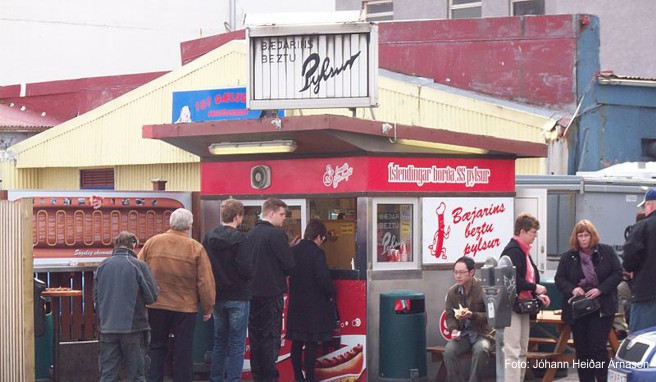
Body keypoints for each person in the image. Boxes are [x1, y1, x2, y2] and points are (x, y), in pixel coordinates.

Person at [139, 208, 216, 382]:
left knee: (156, 347)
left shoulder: (152, 243)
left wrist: (143, 298)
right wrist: (208, 307)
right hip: (185, 308)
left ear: (171, 223)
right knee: (183, 351)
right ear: (188, 226)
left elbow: (139, 270)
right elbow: (205, 281)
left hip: (156, 305)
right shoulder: (195, 247)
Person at [555, 220, 622, 382]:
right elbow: (560, 278)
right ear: (575, 237)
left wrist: (600, 289)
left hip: (602, 307)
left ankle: (602, 379)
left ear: (593, 236)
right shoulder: (568, 257)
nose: (583, 239)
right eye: (580, 235)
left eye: (586, 235)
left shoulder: (606, 252)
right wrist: (572, 289)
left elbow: (618, 273)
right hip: (579, 309)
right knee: (582, 349)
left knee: (598, 348)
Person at [241, 198, 295, 382]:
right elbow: (289, 265)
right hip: (271, 294)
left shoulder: (249, 235)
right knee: (270, 338)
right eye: (281, 214)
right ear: (271, 213)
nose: (283, 219)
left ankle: (258, 376)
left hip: (252, 294)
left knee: (255, 338)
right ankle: (270, 377)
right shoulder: (277, 236)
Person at [94, 231, 159, 382]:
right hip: (134, 328)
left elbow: (96, 298)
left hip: (107, 328)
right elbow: (152, 297)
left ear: (116, 245)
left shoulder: (102, 266)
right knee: (136, 375)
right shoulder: (138, 265)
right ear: (133, 245)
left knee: (108, 374)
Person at [202, 199, 253, 382]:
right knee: (237, 344)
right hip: (239, 295)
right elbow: (246, 268)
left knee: (219, 342)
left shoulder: (208, 237)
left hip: (217, 296)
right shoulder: (241, 239)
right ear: (238, 216)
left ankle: (216, 378)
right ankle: (232, 379)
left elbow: (204, 266)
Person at [500, 212, 550, 382]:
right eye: (533, 232)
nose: (535, 236)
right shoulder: (513, 251)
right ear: (522, 231)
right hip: (512, 307)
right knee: (513, 350)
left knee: (522, 350)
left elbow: (529, 277)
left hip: (523, 305)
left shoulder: (524, 251)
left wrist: (536, 293)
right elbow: (513, 279)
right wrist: (535, 287)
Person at [286, 219, 337, 382]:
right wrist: (332, 292)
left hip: (296, 305)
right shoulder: (317, 253)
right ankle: (309, 378)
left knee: (296, 343)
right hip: (313, 307)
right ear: (319, 237)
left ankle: (298, 377)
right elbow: (323, 278)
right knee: (311, 344)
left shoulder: (293, 251)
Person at [443, 256, 492, 382]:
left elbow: (492, 315)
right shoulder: (452, 292)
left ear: (471, 272)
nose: (457, 276)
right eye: (455, 272)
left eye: (461, 272)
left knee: (481, 349)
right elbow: (450, 315)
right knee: (449, 351)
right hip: (463, 334)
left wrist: (473, 315)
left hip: (483, 333)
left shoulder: (484, 288)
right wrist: (453, 329)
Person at [623, 187, 656, 333]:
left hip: (647, 294)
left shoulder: (642, 226)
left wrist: (629, 269)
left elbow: (630, 257)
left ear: (650, 205)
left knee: (641, 338)